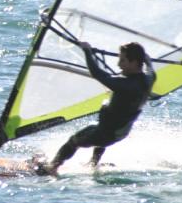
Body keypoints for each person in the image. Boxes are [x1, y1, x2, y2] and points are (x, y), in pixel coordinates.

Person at [35, 41, 155, 176]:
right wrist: (148, 61)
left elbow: (97, 73)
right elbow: (150, 69)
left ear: (134, 63)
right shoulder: (148, 79)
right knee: (98, 130)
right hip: (118, 130)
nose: (118, 64)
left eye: (123, 60)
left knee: (73, 141)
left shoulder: (126, 85)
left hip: (108, 133)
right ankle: (93, 164)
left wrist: (87, 51)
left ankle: (52, 168)